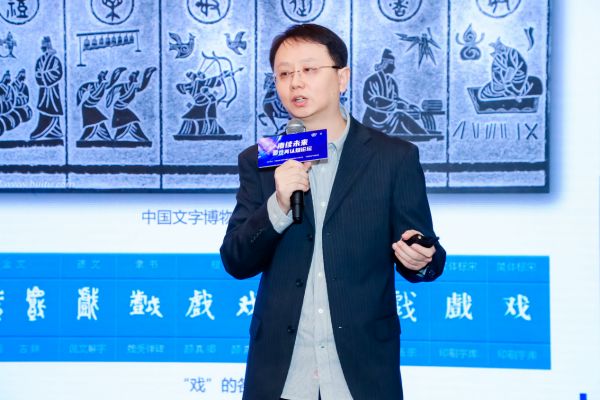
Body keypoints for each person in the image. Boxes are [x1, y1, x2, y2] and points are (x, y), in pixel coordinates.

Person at [220, 23, 446, 400]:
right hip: (280, 377)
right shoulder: (261, 160)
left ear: (342, 78)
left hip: (363, 374)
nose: (295, 82)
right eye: (284, 74)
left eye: (309, 70)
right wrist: (278, 205)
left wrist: (420, 258)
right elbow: (235, 260)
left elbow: (429, 256)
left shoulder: (393, 158)